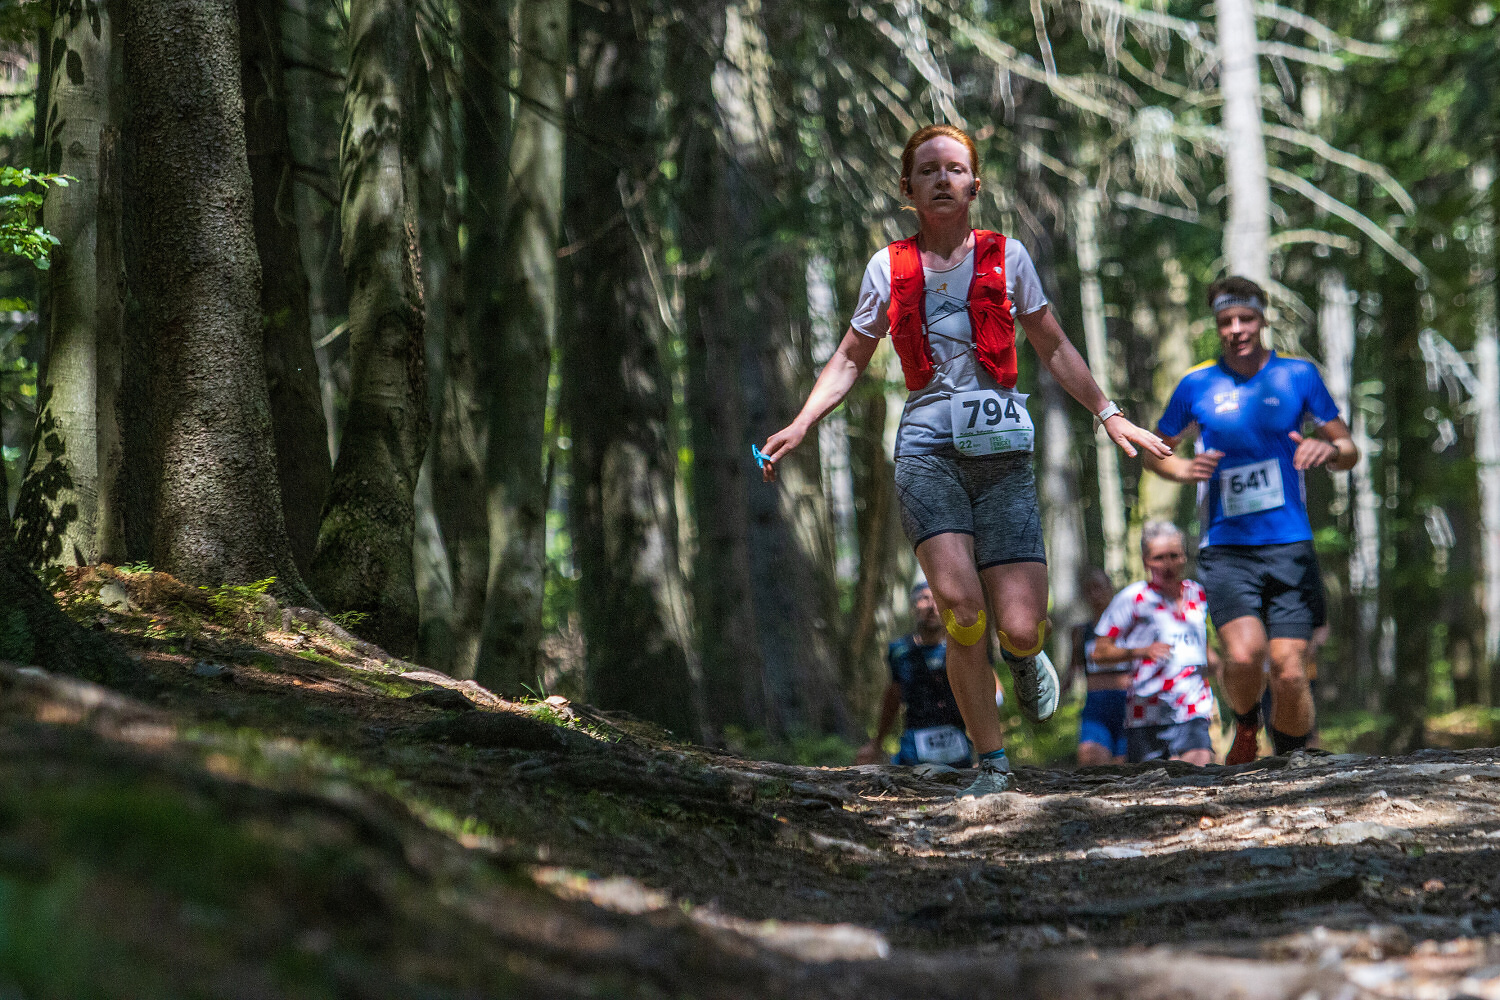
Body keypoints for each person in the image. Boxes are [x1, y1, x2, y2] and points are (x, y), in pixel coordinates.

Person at [757, 123, 1169, 797]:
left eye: (954, 168)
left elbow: (1053, 345)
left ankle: (1025, 655)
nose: (942, 179)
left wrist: (1110, 413)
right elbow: (851, 357)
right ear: (908, 189)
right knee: (961, 611)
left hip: (1003, 456)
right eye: (928, 170)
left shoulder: (1008, 257)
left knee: (1020, 626)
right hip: (927, 451)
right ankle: (992, 763)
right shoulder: (888, 267)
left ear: (975, 185)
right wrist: (802, 422)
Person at [1142, 276, 1358, 765]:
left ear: (1262, 320)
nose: (1236, 329)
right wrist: (1181, 469)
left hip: (1289, 545)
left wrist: (1329, 450)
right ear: (1217, 326)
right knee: (1243, 656)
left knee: (1289, 669)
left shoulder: (1298, 376)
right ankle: (1245, 725)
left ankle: (1292, 759)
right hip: (1226, 547)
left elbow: (1348, 448)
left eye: (1246, 318)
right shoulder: (1197, 384)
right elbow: (1156, 451)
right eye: (1226, 321)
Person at [1091, 522, 1217, 764]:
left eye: (1174, 556)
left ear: (1184, 557)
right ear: (1145, 561)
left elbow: (1202, 644)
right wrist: (1142, 651)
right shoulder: (1133, 598)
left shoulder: (1198, 594)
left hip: (1193, 707)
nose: (1167, 565)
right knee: (1151, 781)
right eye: (1159, 558)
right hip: (1147, 712)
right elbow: (1099, 652)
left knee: (1199, 771)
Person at [855, 582, 973, 767]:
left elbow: (984, 694)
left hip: (958, 747)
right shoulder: (899, 650)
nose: (932, 606)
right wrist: (876, 743)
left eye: (937, 599)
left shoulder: (960, 649)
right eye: (924, 598)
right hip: (914, 748)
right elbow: (894, 696)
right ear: (913, 607)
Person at [1064, 568, 1129, 765]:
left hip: (1127, 704)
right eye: (1089, 590)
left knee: (1126, 766)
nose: (1095, 594)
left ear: (1110, 589)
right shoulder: (1080, 631)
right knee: (1091, 761)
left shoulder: (1129, 628)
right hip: (1096, 706)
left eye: (1099, 587)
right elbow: (1073, 670)